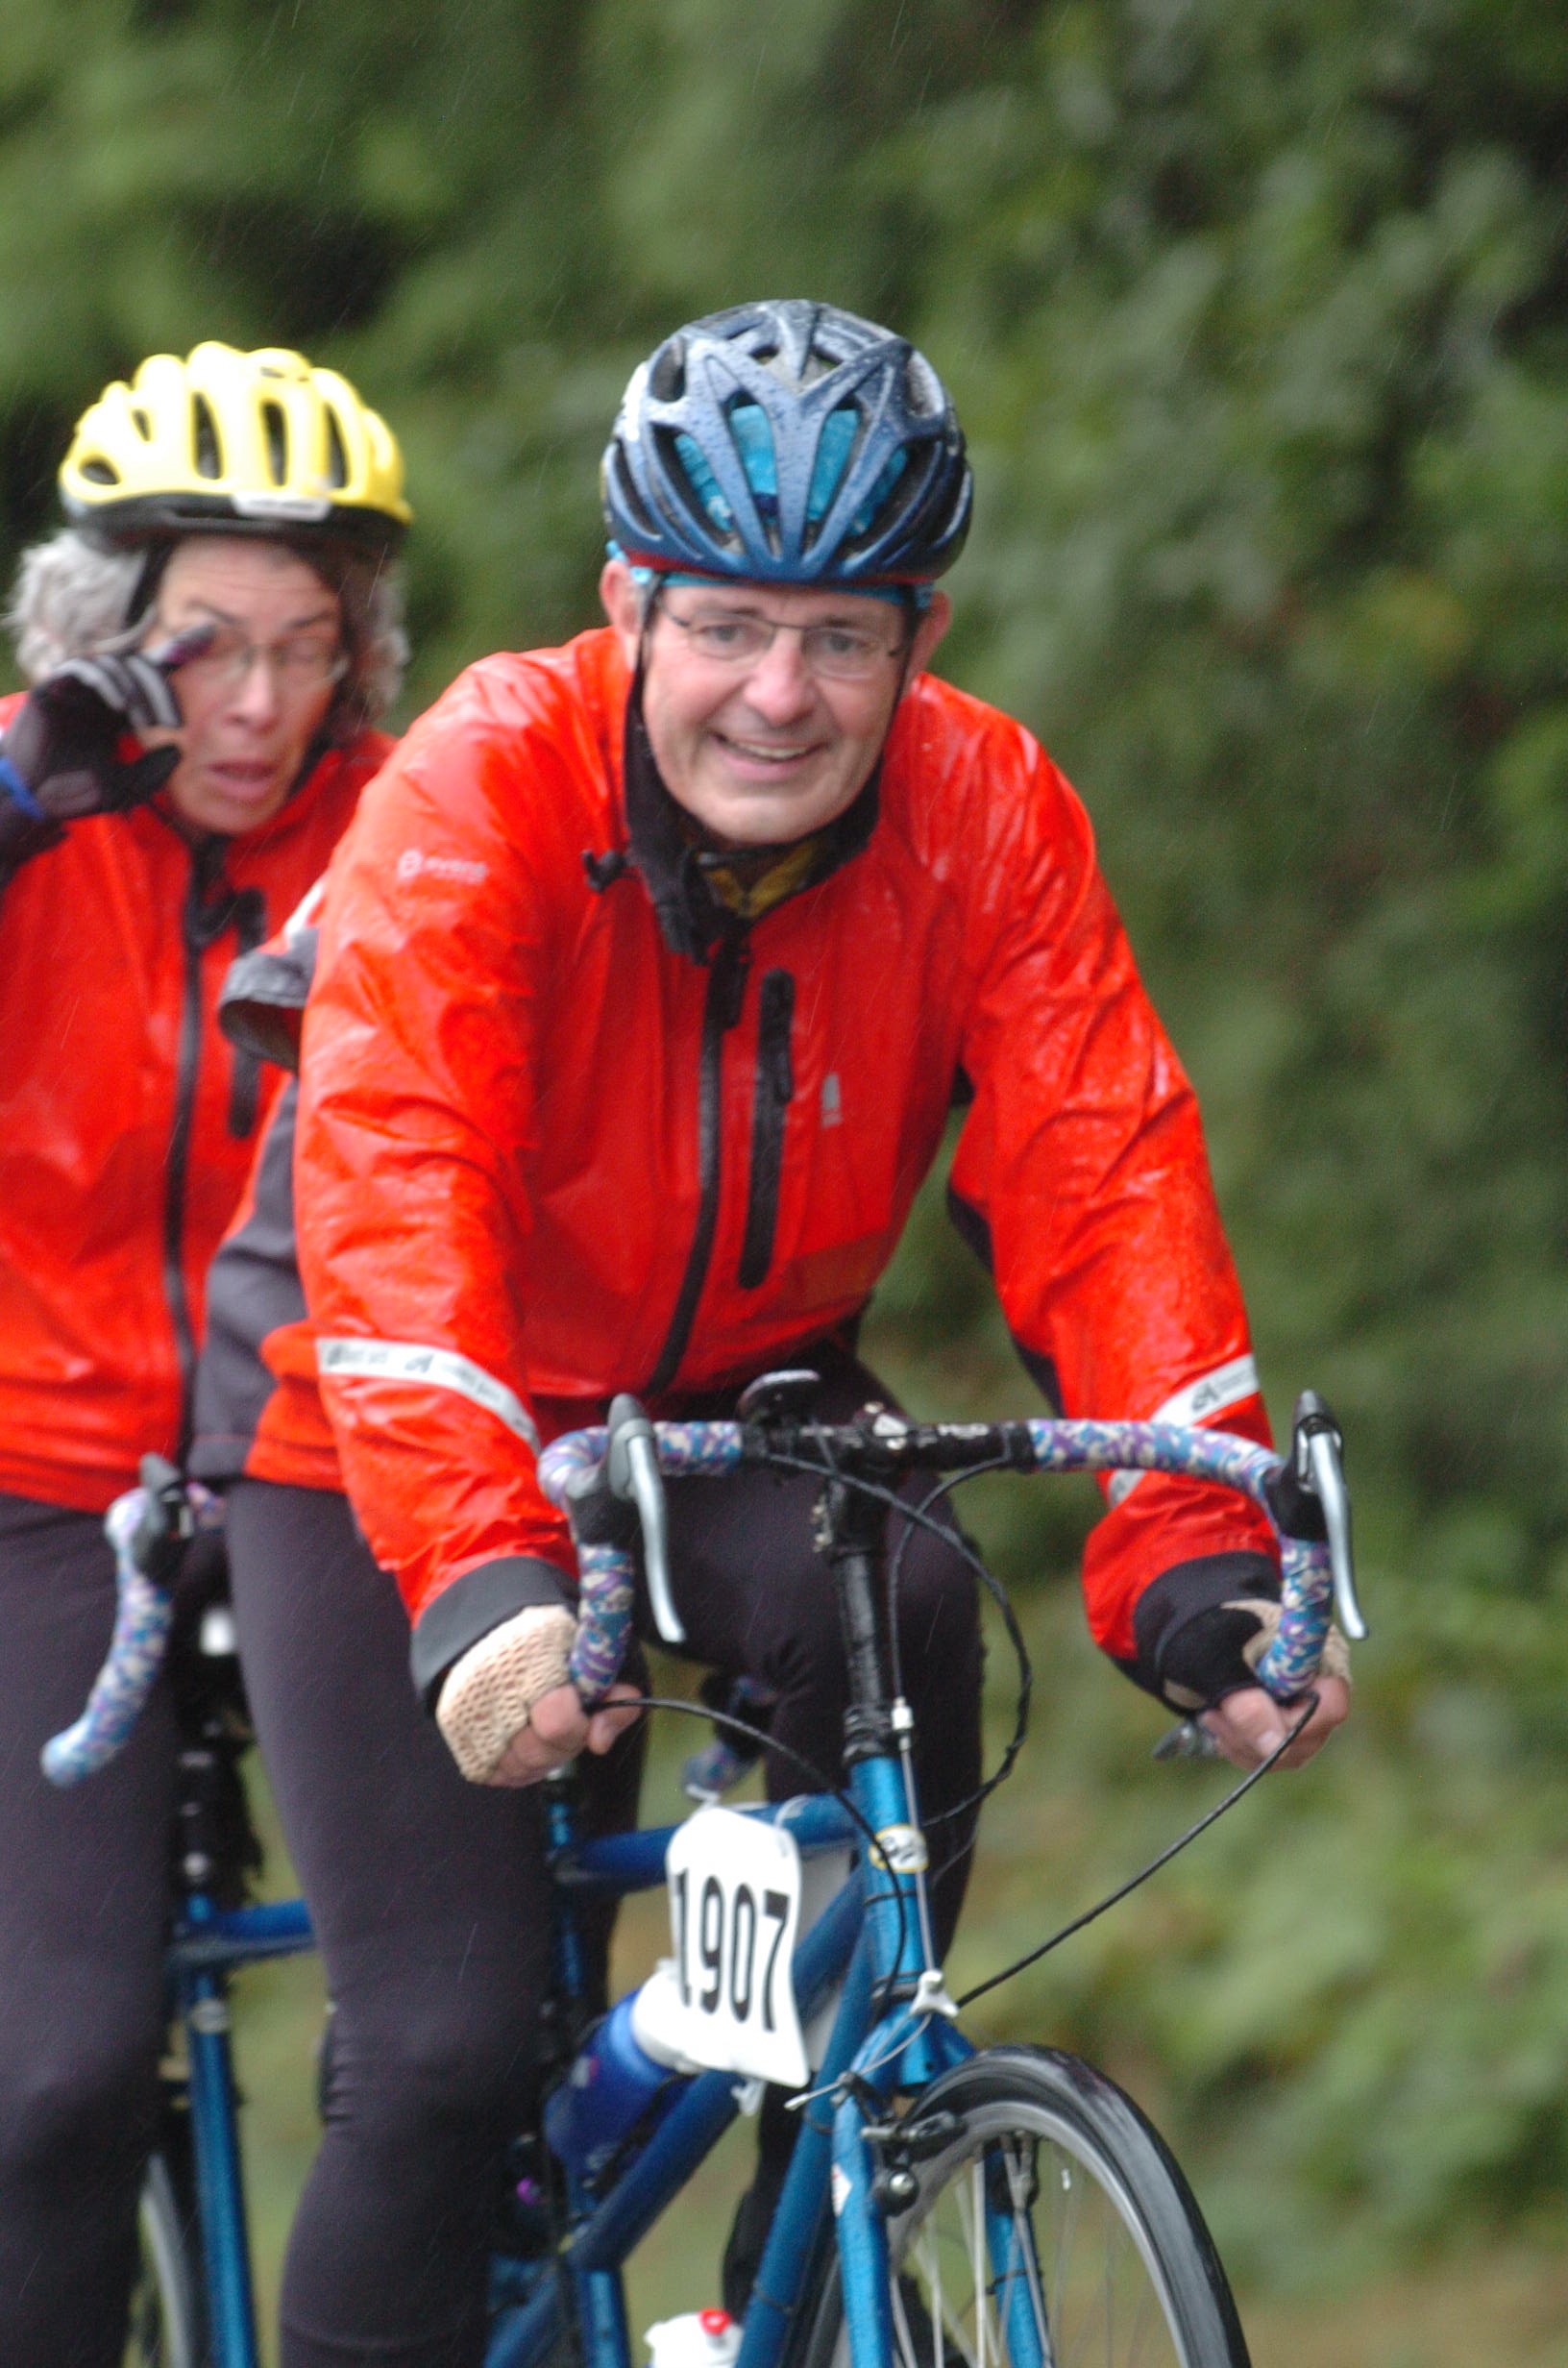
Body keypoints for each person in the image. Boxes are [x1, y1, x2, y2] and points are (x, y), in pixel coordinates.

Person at [195, 299, 1349, 2367]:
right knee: (444, 2047)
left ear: (921, 638)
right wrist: (477, 1566)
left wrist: (1195, 1549)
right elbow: (402, 1181)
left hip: (734, 1393)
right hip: (372, 1405)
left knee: (909, 1596)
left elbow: (1107, 1171)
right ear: (627, 605)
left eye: (843, 635)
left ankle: (792, 2273)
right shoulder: (482, 778)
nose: (780, 692)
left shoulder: (984, 807)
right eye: (727, 624)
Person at [0, 339, 410, 2368]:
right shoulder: (27, 795)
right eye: (206, 646)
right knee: (59, 2079)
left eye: (308, 647)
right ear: (107, 634)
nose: (260, 705)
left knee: (465, 2035)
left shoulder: (409, 820)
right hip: (45, 1480)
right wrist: (19, 800)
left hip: (324, 1463)